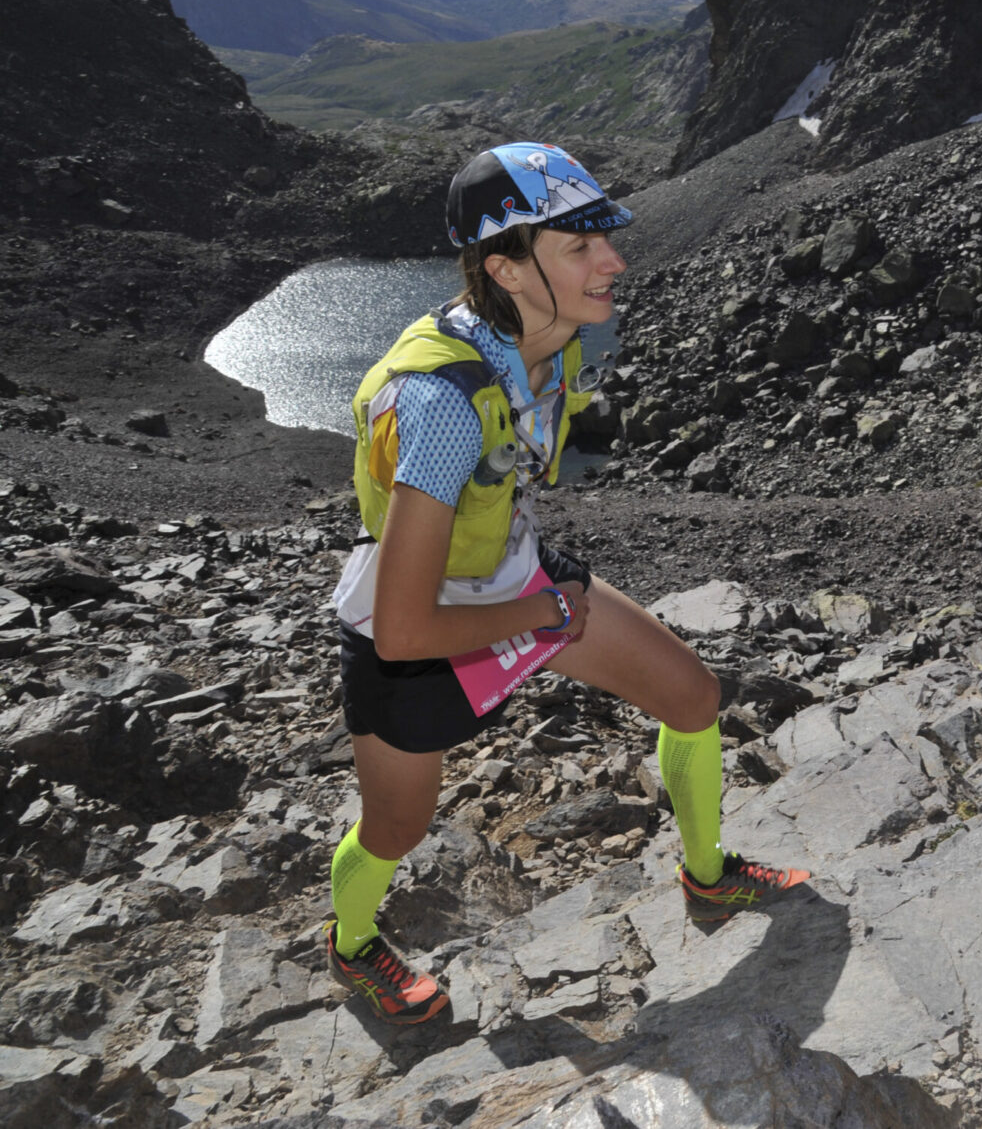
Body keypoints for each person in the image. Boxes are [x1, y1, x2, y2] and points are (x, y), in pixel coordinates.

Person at [323, 142, 807, 1024]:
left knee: (694, 697)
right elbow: (401, 630)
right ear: (505, 268)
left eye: (604, 240)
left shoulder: (554, 347)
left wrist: (535, 599)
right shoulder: (437, 403)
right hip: (427, 626)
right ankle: (351, 945)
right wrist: (542, 611)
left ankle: (707, 874)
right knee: (396, 827)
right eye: (579, 247)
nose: (613, 261)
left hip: (512, 580)